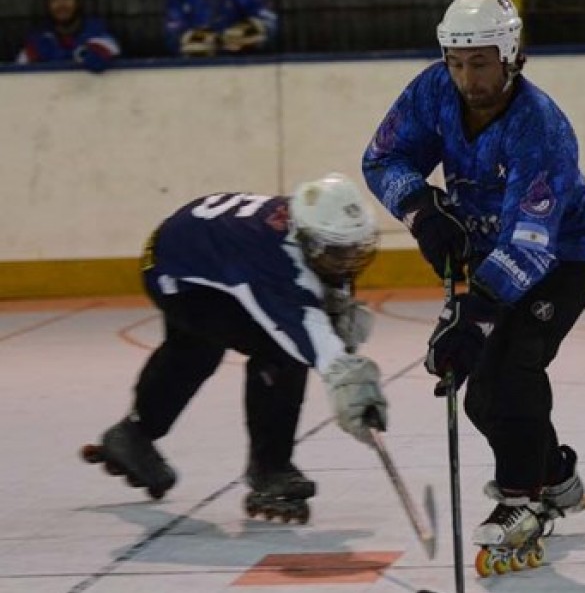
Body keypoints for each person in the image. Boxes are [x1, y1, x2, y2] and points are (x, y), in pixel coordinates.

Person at [361, 0, 585, 565]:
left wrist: (474, 318)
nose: (466, 77)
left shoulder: (540, 128)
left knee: (511, 366)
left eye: (480, 62)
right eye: (456, 61)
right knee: (479, 400)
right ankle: (554, 473)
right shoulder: (432, 91)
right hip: (488, 251)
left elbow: (530, 244)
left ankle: (522, 498)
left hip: (562, 259)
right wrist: (422, 211)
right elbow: (383, 159)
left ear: (511, 56)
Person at [84, 173, 388, 524]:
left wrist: (339, 310)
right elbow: (301, 327)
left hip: (197, 249)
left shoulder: (313, 233)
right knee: (278, 352)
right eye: (338, 251)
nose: (348, 260)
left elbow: (322, 291)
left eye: (356, 248)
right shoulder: (268, 257)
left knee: (193, 351)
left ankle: (133, 435)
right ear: (305, 238)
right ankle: (270, 469)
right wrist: (349, 381)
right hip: (176, 273)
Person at [16, 0, 119, 73]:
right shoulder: (39, 38)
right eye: (54, 0)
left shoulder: (98, 32)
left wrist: (81, 54)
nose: (61, 5)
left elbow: (99, 59)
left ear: (79, 2)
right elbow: (18, 73)